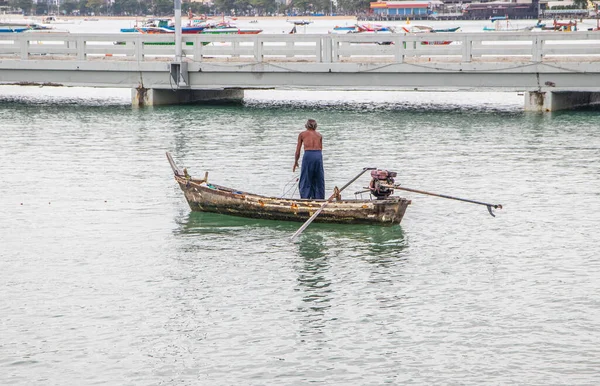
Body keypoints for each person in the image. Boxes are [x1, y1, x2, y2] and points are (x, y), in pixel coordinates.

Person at [293, 119, 325, 199]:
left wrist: (296, 162)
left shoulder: (302, 134)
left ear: (306, 126)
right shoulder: (319, 135)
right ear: (316, 126)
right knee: (318, 178)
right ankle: (319, 198)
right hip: (318, 155)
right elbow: (321, 148)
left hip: (308, 155)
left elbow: (298, 151)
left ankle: (305, 198)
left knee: (306, 178)